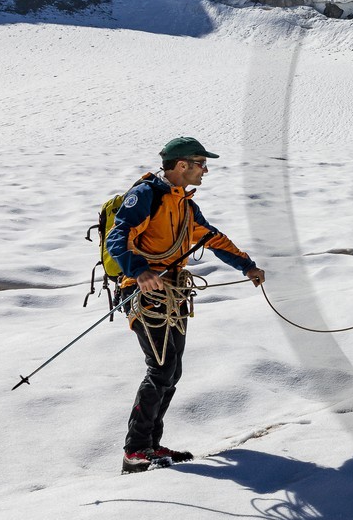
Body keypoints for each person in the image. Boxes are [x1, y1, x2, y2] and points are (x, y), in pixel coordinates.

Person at [106, 137, 265, 473]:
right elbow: (117, 238)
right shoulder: (147, 195)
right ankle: (135, 450)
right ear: (182, 165)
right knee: (161, 368)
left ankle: (150, 445)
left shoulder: (184, 204)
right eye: (200, 163)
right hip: (142, 293)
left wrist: (246, 265)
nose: (205, 170)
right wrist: (140, 271)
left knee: (171, 370)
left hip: (173, 292)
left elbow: (210, 236)